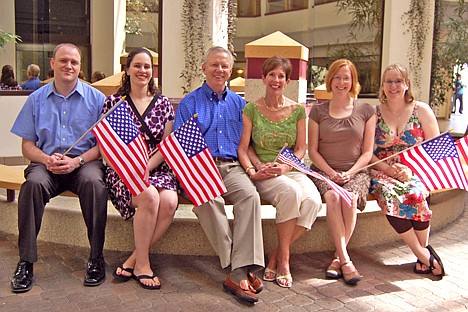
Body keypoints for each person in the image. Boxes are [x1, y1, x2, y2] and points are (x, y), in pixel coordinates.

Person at [10, 43, 108, 293]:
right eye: (63, 61)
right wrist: (45, 159)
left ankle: (96, 259)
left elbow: (102, 146)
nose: (69, 66)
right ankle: (26, 262)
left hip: (83, 164)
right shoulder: (36, 99)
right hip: (47, 165)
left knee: (95, 184)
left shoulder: (96, 99)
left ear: (80, 67)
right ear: (52, 64)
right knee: (31, 185)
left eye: (74, 62)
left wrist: (77, 161)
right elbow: (27, 146)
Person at [174, 46, 264, 304]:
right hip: (199, 167)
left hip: (231, 166)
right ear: (204, 68)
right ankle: (238, 270)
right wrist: (196, 170)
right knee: (209, 199)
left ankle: (241, 267)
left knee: (250, 196)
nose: (219, 70)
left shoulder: (239, 104)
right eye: (214, 65)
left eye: (224, 66)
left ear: (230, 71)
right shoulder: (189, 103)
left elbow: (247, 145)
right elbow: (182, 145)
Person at [237, 56, 322, 288]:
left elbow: (301, 149)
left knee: (313, 201)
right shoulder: (251, 109)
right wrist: (253, 170)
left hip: (291, 168)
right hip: (264, 171)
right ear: (263, 78)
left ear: (288, 81)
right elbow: (243, 149)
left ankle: (276, 253)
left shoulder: (297, 110)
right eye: (271, 75)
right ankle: (285, 261)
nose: (276, 80)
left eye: (281, 76)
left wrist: (285, 166)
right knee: (291, 193)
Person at [104, 48, 178, 290]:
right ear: (127, 69)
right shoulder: (115, 103)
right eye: (137, 65)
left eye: (147, 66)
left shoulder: (163, 103)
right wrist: (132, 169)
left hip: (155, 167)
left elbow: (166, 145)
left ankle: (133, 258)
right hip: (123, 170)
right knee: (149, 196)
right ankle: (143, 265)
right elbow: (106, 146)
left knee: (168, 201)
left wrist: (146, 166)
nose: (142, 71)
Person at [370, 63, 445, 278]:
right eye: (389, 81)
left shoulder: (422, 110)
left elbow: (435, 149)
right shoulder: (374, 113)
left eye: (398, 81)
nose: (393, 86)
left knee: (417, 192)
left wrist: (411, 170)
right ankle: (422, 254)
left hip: (416, 168)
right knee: (387, 193)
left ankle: (422, 256)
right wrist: (388, 170)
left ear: (407, 84)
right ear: (383, 86)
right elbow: (367, 152)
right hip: (382, 170)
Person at [308, 59, 376, 285]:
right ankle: (346, 260)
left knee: (350, 198)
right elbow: (313, 151)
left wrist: (350, 172)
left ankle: (339, 258)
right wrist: (331, 172)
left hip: (356, 172)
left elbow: (367, 152)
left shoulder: (366, 110)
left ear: (353, 81)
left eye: (346, 77)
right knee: (334, 196)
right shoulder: (317, 111)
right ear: (330, 80)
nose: (341, 82)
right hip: (323, 171)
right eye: (337, 77)